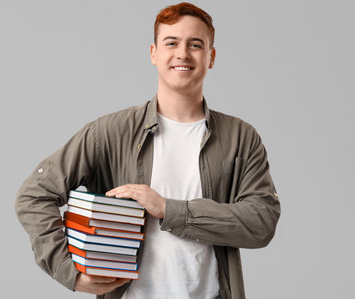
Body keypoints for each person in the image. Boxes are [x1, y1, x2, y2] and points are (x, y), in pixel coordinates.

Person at [15, 2, 280, 299]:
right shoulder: (111, 131)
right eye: (172, 43)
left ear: (211, 57)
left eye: (195, 44)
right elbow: (34, 195)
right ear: (154, 53)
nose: (183, 53)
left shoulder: (241, 138)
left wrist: (168, 209)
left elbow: (261, 221)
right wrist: (68, 270)